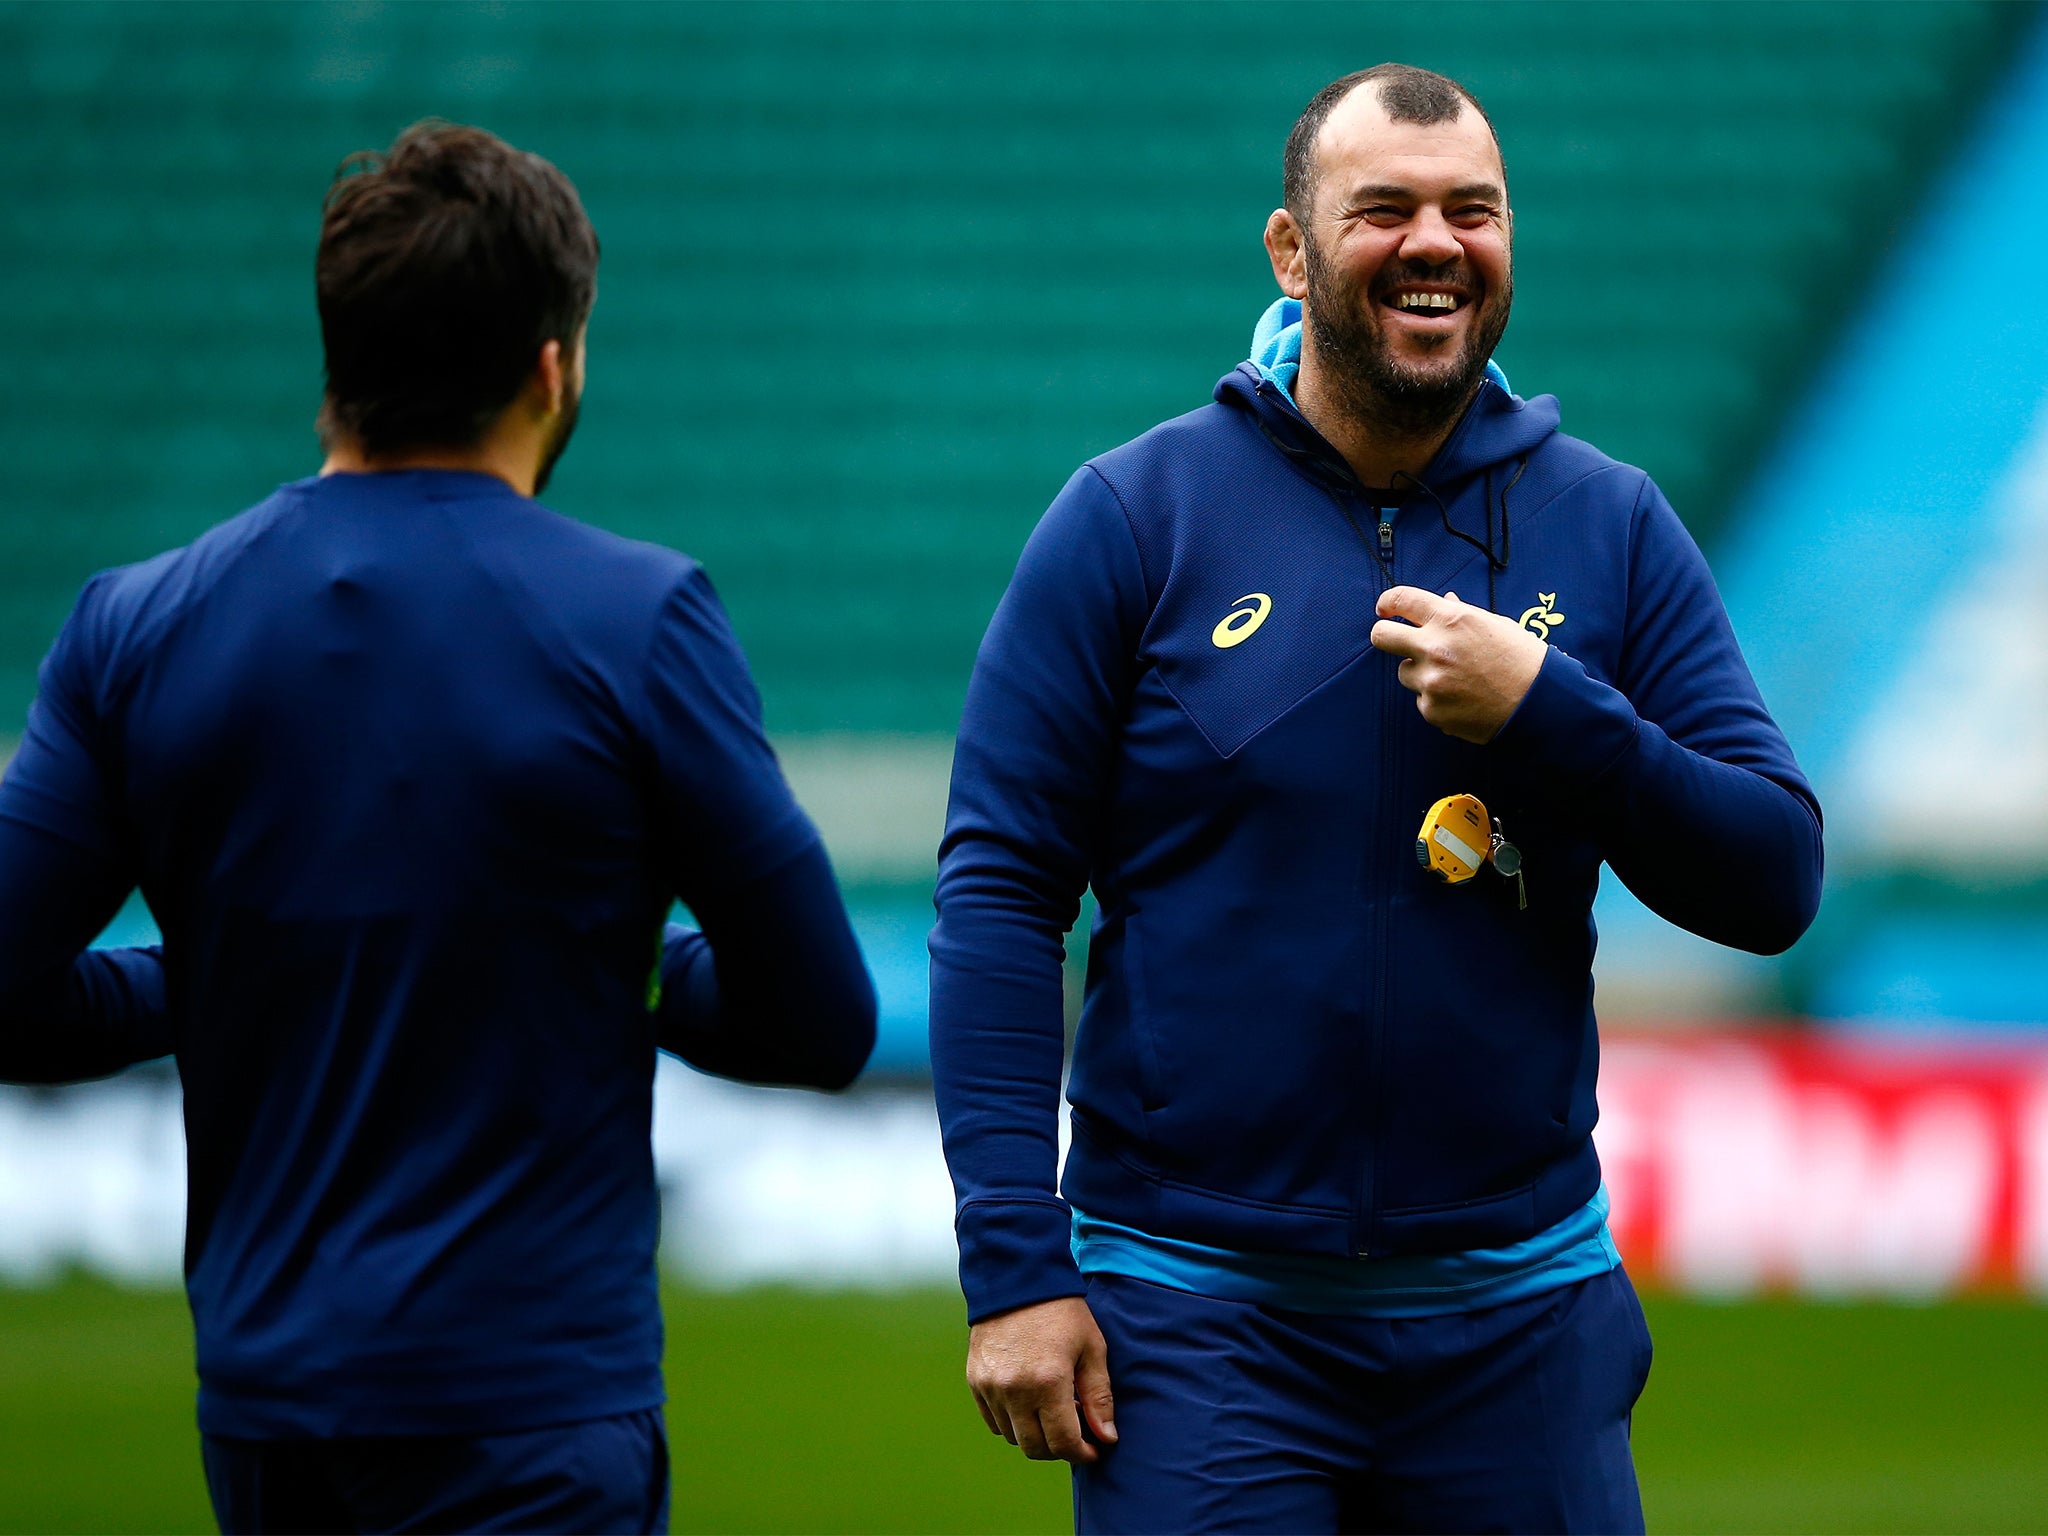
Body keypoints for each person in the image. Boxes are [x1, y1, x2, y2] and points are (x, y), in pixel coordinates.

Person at [930, 63, 1822, 1534]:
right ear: (1291, 250)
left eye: (1473, 211)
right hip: (1199, 1322)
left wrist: (1555, 717)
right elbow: (1000, 892)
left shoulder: (1609, 523)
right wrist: (1016, 1267)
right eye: (1383, 210)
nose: (1434, 243)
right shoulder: (1134, 517)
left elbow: (1774, 874)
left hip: (1517, 1324)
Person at [0, 120, 876, 1534]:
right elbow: (820, 1016)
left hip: (271, 1416)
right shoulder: (636, 620)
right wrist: (624, 962)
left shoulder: (136, 625)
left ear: (338, 362)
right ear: (551, 366)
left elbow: (6, 990)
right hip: (529, 1409)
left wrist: (202, 975)